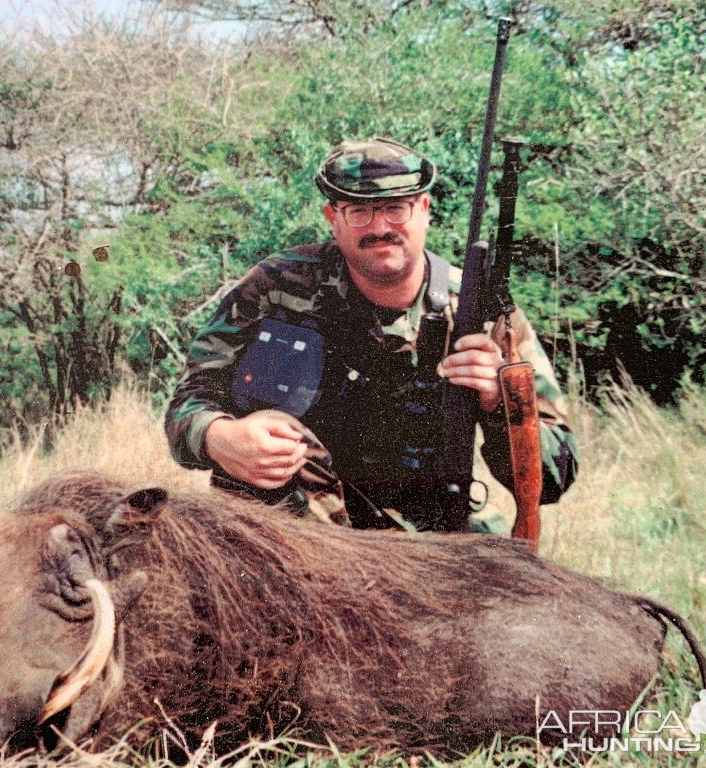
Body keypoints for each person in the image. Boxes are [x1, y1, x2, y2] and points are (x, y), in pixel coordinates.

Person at [165, 137, 577, 531]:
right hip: (295, 532)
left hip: (431, 534)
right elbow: (187, 403)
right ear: (333, 219)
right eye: (359, 212)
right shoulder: (275, 287)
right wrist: (220, 438)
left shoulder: (481, 313)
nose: (380, 226)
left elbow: (556, 477)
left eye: (396, 209)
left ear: (424, 209)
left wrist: (498, 401)